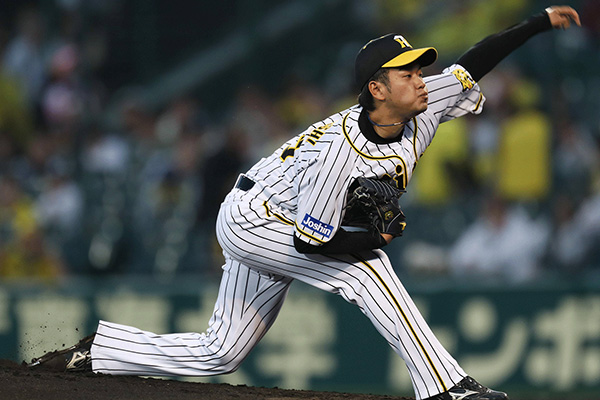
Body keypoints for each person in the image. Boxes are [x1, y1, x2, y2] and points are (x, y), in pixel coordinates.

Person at [29, 6, 581, 400]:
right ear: (376, 89)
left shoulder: (424, 100)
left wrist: (537, 22)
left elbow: (475, 60)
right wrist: (375, 238)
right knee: (365, 268)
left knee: (221, 352)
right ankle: (445, 388)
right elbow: (312, 243)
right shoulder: (340, 154)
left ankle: (98, 352)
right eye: (407, 73)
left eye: (419, 70)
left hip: (284, 214)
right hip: (256, 219)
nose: (421, 80)